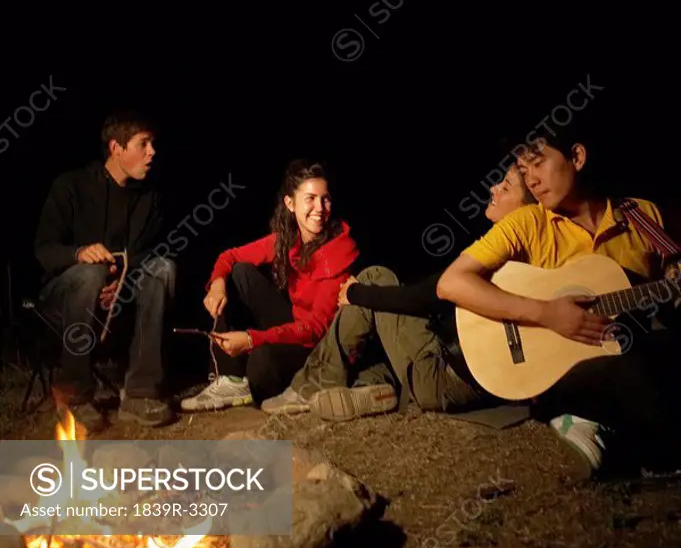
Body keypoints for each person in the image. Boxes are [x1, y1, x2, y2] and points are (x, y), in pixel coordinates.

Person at [435, 128, 681, 477]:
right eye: (523, 169)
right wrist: (548, 313)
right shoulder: (528, 223)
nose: (530, 180)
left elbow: (668, 300)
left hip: (626, 352)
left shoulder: (642, 216)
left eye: (536, 164)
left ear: (577, 157)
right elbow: (451, 283)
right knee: (632, 366)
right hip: (562, 375)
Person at [262, 164, 536, 421]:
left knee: (376, 277)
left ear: (526, 210)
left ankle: (310, 385)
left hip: (441, 377)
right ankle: (376, 385)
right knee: (384, 338)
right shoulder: (525, 260)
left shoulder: (503, 254)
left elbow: (424, 294)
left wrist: (357, 294)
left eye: (506, 186)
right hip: (464, 379)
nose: (493, 188)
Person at [34, 110, 176, 432]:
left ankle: (140, 393)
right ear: (116, 148)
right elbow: (43, 250)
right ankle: (74, 396)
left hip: (116, 300)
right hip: (63, 297)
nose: (152, 152)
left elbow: (147, 255)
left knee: (163, 269)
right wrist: (78, 253)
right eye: (143, 144)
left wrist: (120, 281)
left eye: (153, 144)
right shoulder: (71, 185)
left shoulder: (149, 198)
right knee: (89, 273)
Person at [180, 159, 359, 411]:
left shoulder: (339, 251)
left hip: (317, 347)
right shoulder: (288, 240)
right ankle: (228, 380)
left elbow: (316, 329)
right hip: (294, 326)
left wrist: (253, 339)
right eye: (310, 198)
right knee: (239, 272)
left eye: (325, 199)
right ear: (290, 203)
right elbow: (229, 256)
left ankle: (270, 387)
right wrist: (217, 284)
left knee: (261, 361)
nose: (320, 208)